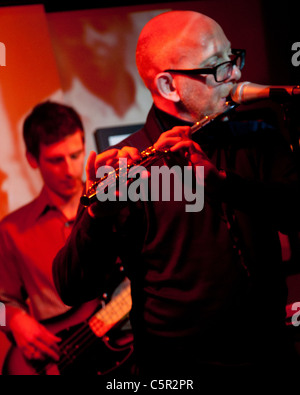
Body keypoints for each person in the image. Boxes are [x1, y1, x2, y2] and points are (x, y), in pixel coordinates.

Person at [53, 11, 300, 384]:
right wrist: (98, 216)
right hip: (178, 372)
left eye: (233, 58)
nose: (234, 74)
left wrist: (221, 183)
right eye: (216, 67)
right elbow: (72, 286)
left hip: (272, 360)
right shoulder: (128, 163)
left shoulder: (258, 134)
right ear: (169, 86)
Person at [0, 102, 86, 367]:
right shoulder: (12, 229)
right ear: (32, 160)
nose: (70, 171)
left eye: (76, 155)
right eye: (56, 160)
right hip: (62, 359)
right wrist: (13, 319)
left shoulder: (119, 206)